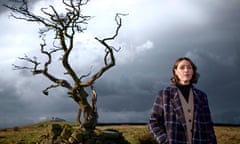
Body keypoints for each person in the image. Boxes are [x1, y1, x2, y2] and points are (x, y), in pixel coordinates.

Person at [149, 57, 217, 144]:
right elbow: (153, 122)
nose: (186, 70)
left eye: (189, 67)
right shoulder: (164, 94)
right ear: (175, 71)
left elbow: (209, 126)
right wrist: (164, 141)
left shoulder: (202, 96)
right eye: (182, 67)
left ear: (193, 71)